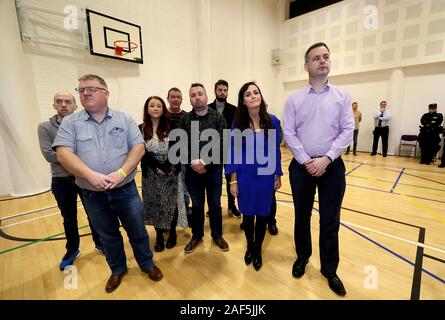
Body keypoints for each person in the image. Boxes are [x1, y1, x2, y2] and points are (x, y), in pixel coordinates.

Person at [53, 74, 163, 293]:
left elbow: (138, 148)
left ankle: (147, 264)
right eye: (81, 90)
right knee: (108, 235)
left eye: (91, 89)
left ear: (105, 93)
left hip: (126, 191)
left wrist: (122, 173)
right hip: (93, 194)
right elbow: (63, 154)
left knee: (138, 231)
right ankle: (117, 269)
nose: (85, 93)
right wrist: (90, 175)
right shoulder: (70, 123)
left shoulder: (124, 119)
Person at [283, 42, 354, 296]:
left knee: (330, 220)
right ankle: (302, 257)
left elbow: (348, 130)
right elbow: (288, 133)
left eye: (326, 57)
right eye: (316, 58)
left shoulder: (343, 96)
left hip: (332, 168)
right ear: (306, 65)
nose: (322, 61)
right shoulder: (294, 99)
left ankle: (329, 269)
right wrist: (305, 160)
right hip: (301, 168)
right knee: (302, 216)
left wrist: (326, 158)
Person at [38, 92, 103, 271]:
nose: (63, 105)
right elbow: (49, 155)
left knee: (94, 214)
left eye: (68, 102)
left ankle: (100, 243)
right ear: (54, 106)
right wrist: (74, 155)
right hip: (61, 180)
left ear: (76, 106)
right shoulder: (44, 128)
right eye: (59, 102)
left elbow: (92, 149)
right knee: (69, 218)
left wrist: (66, 154)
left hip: (84, 177)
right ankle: (72, 250)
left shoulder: (85, 125)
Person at [226, 82, 283, 271]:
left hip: (265, 177)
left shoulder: (273, 121)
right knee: (248, 215)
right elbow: (232, 152)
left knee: (263, 214)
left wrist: (278, 174)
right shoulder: (238, 123)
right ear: (243, 100)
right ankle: (250, 246)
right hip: (245, 176)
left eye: (256, 92)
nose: (253, 96)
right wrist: (233, 180)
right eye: (248, 94)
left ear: (261, 96)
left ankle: (258, 249)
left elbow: (275, 150)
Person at [178, 83, 229, 254]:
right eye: (193, 95)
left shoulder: (218, 118)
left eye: (200, 94)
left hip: (213, 171)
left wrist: (204, 162)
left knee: (215, 205)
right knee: (198, 205)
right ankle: (197, 235)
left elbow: (223, 143)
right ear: (190, 99)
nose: (197, 97)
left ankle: (217, 235)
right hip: (193, 173)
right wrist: (194, 164)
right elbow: (180, 146)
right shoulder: (185, 119)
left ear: (207, 97)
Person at [139, 96, 187, 252]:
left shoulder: (172, 127)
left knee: (170, 205)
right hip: (151, 174)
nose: (155, 108)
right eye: (151, 105)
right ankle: (159, 235)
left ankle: (172, 233)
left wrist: (165, 167)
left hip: (170, 172)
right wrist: (156, 167)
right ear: (147, 109)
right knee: (155, 206)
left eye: (158, 105)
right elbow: (141, 152)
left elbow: (177, 149)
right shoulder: (140, 129)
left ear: (163, 108)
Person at [208, 79, 241, 218]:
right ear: (215, 91)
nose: (222, 92)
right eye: (220, 90)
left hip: (229, 151)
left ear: (227, 91)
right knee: (213, 181)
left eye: (225, 90)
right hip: (212, 151)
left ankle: (231, 205)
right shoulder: (207, 108)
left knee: (230, 179)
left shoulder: (234, 109)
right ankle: (213, 207)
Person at [166, 87, 192, 221]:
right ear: (168, 99)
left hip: (182, 158)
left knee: (184, 188)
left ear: (182, 100)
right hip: (165, 159)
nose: (175, 99)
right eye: (173, 97)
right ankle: (170, 215)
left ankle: (185, 212)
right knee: (167, 188)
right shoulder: (162, 116)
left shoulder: (187, 116)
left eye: (178, 97)